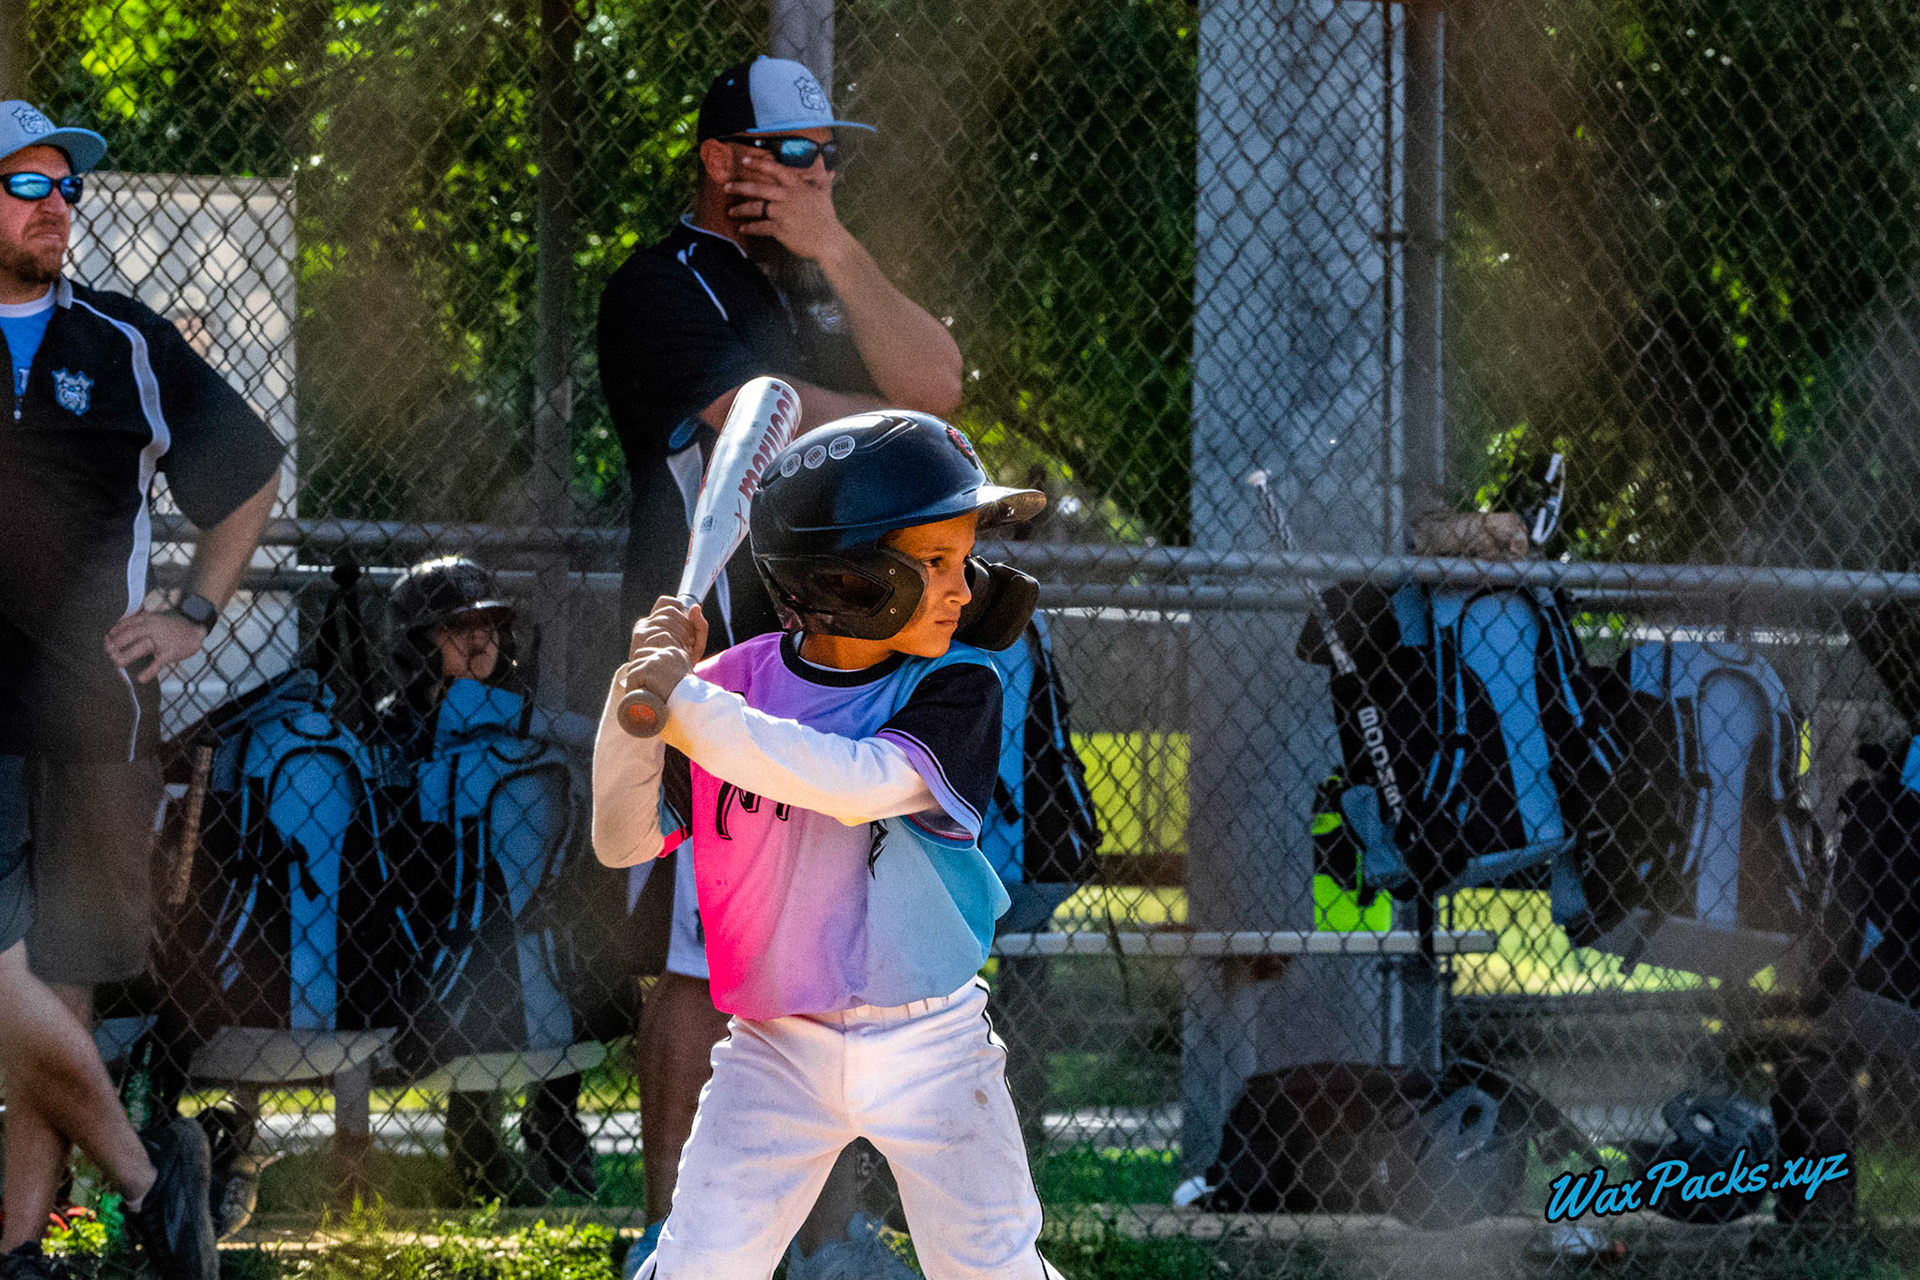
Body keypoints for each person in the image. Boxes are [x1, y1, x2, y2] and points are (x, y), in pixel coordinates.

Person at [596, 54, 964, 1262]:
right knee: (706, 961)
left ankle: (817, 1232)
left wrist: (838, 247)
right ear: (723, 161)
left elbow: (937, 394)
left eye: (827, 154)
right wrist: (878, 421)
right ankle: (671, 1235)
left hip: (844, 665)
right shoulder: (660, 288)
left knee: (838, 948)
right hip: (719, 657)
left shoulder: (825, 283)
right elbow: (770, 423)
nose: (818, 172)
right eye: (793, 152)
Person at [595, 411, 1068, 1280]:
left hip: (932, 1041)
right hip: (775, 1046)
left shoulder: (958, 683)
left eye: (966, 561)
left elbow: (850, 782)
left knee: (994, 1266)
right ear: (846, 579)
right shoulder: (727, 690)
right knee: (697, 1262)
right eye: (934, 564)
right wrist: (633, 711)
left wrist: (689, 710)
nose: (964, 590)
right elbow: (624, 839)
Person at [0, 103, 282, 1279]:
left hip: (93, 715)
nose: (56, 202)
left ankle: (15, 1249)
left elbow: (250, 472)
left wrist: (195, 614)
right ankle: (156, 1176)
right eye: (25, 183)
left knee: (58, 976)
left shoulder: (121, 338)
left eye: (67, 185)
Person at [373, 556, 599, 1203]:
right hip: (432, 913)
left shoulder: (513, 718)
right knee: (483, 968)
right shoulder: (395, 728)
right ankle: (475, 1141)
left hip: (515, 904)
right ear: (416, 643)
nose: (482, 642)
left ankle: (553, 1112)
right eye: (457, 629)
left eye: (491, 627)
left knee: (547, 952)